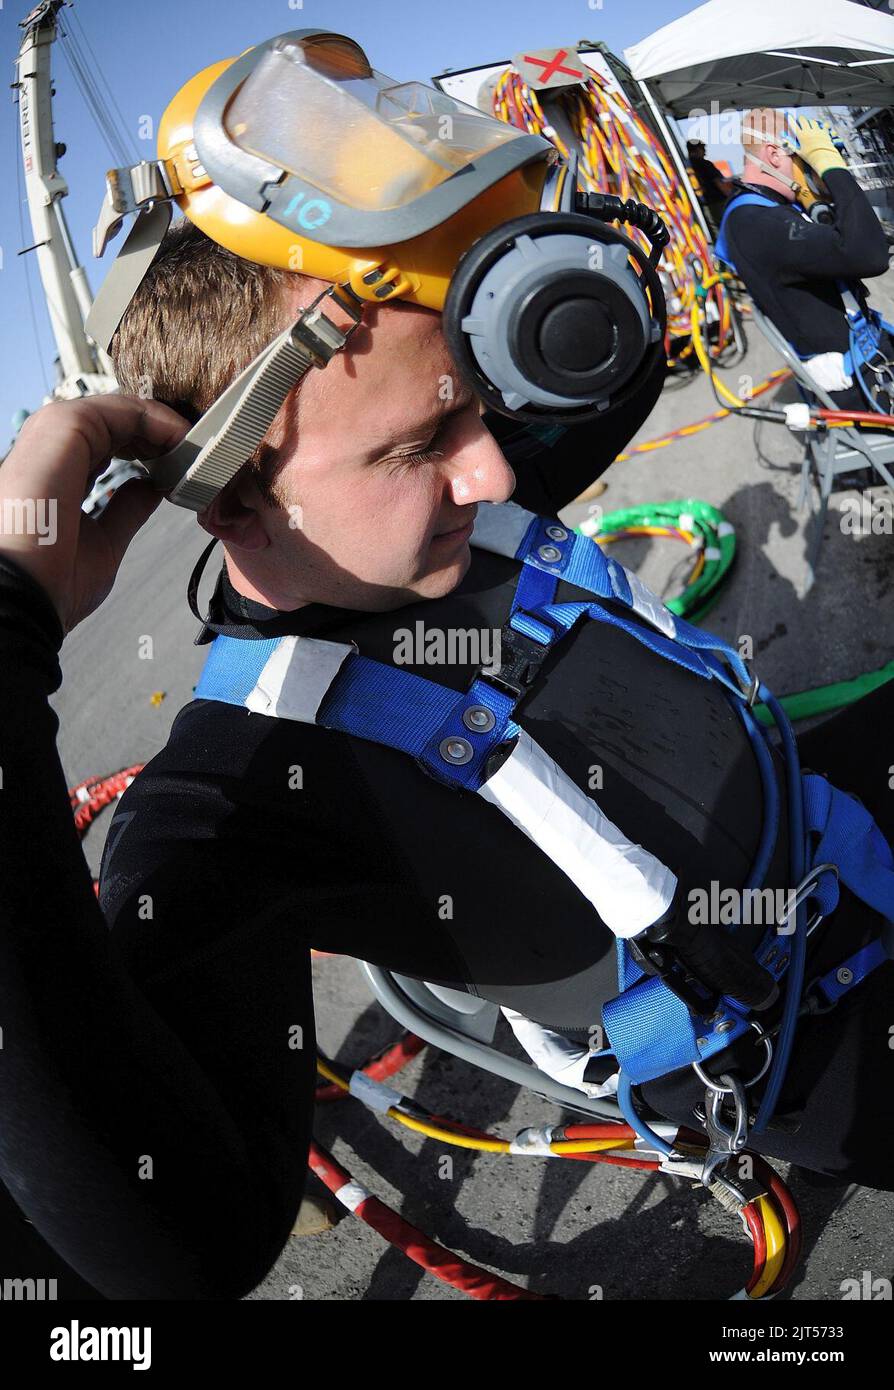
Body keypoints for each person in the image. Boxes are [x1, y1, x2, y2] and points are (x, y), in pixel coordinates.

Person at [2, 206, 893, 1301]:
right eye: (419, 446)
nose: (494, 476)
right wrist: (7, 622)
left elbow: (615, 341)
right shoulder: (232, 800)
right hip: (819, 1030)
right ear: (232, 495)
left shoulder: (447, 509)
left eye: (467, 405)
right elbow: (178, 1240)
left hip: (830, 811)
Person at [716, 108, 892, 413]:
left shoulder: (768, 209)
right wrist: (832, 167)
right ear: (774, 155)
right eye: (805, 160)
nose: (812, 170)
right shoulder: (755, 221)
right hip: (861, 387)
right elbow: (869, 254)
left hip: (870, 356)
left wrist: (813, 201)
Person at [685, 138, 733, 229]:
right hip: (718, 203)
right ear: (697, 150)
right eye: (703, 149)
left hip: (702, 205)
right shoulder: (705, 164)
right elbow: (719, 184)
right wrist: (731, 197)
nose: (705, 152)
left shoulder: (686, 165)